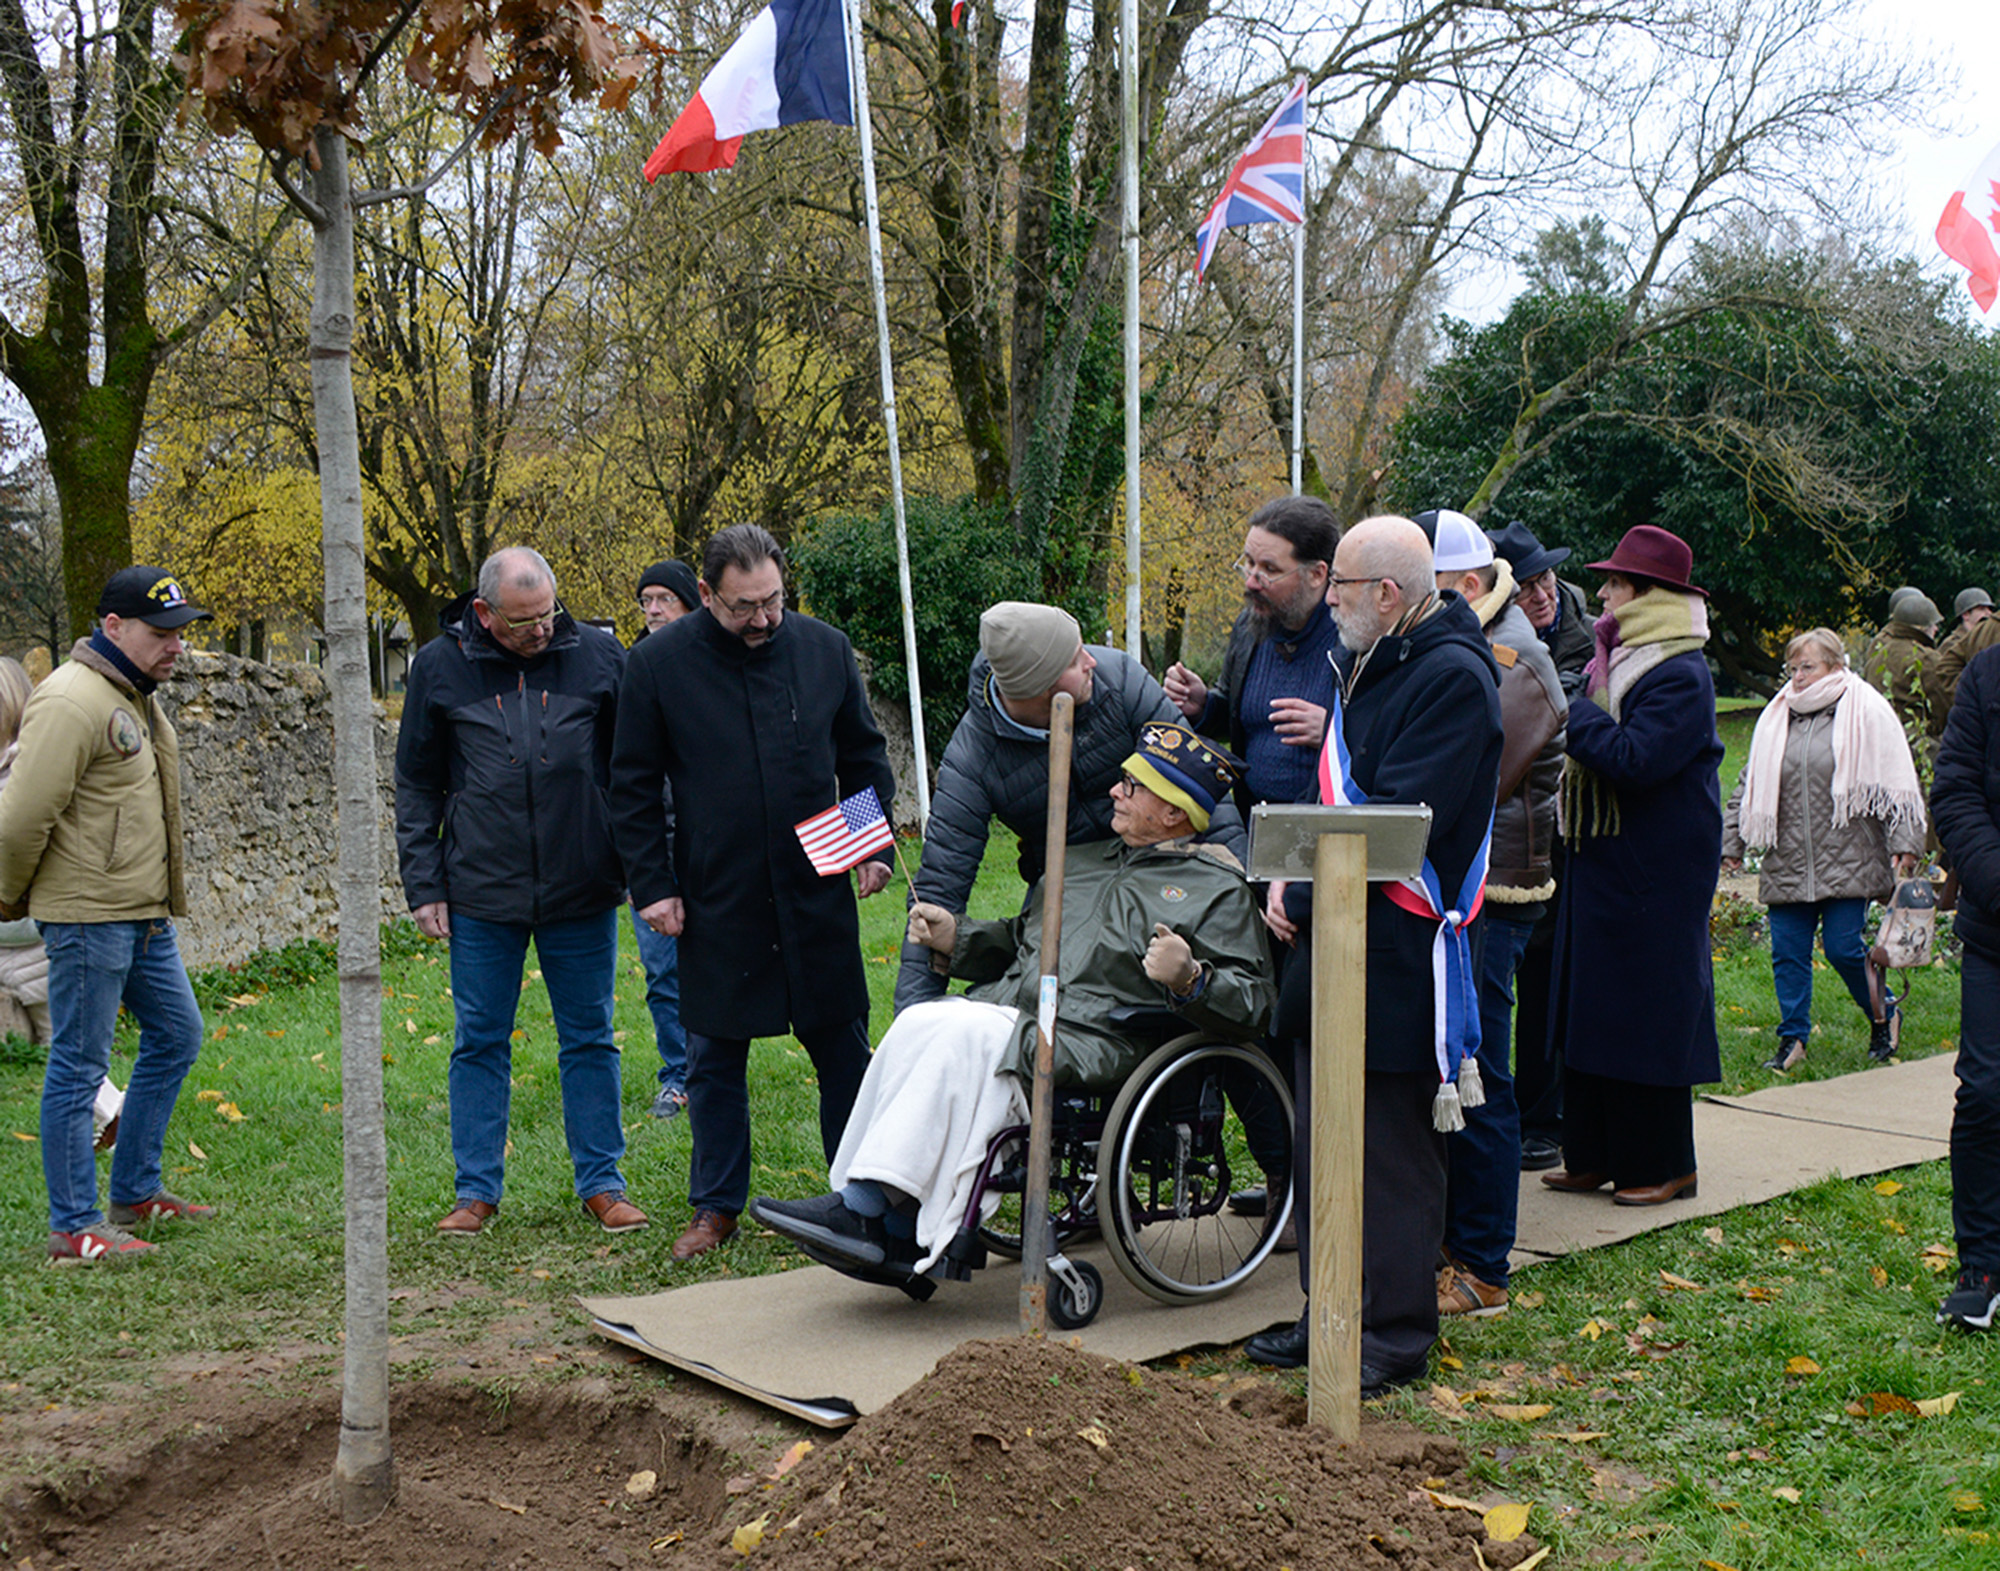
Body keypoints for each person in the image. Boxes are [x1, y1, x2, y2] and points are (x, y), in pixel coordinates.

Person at [750, 724, 1273, 1277]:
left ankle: (869, 1212)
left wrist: (1190, 977)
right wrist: (957, 935)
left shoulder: (1217, 889)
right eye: (1122, 780)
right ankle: (889, 1222)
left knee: (973, 1036)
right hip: (1022, 1013)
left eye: (1132, 785)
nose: (1115, 791)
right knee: (923, 1020)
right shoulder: (1081, 860)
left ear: (1173, 812)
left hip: (1106, 1039)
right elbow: (1022, 937)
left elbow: (1255, 1003)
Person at [1244, 515, 1503, 1394]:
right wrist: (1292, 881)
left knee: (1387, 1151)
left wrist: (1305, 885)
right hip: (1341, 940)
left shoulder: (1453, 679)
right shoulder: (1374, 657)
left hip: (1394, 944)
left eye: (1343, 589)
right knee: (1327, 1136)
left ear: (1386, 595)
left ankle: (1390, 1329)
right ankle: (1331, 1307)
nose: (1331, 603)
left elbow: (1397, 822)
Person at [611, 523, 897, 1262]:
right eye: (744, 607)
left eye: (773, 600)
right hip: (717, 890)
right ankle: (715, 1207)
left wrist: (870, 842)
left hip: (814, 887)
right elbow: (632, 785)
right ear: (706, 595)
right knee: (712, 1059)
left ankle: (860, 1194)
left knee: (843, 1048)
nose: (764, 619)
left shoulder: (824, 648)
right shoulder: (656, 665)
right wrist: (654, 885)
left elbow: (862, 754)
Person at [395, 546, 643, 1238]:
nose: (540, 630)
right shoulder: (438, 669)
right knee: (479, 1039)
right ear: (483, 612)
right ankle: (476, 1190)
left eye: (547, 615)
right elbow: (417, 784)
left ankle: (602, 1181)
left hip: (582, 881)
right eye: (522, 620)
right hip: (480, 888)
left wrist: (641, 866)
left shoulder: (599, 657)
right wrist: (424, 882)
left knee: (590, 1035)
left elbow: (633, 770)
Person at [0, 567, 216, 1263]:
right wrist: (10, 895)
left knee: (178, 1032)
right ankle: (75, 1224)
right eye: (163, 633)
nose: (177, 645)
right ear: (113, 627)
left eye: (181, 632)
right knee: (78, 1064)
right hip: (91, 915)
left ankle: (135, 1192)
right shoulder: (70, 699)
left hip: (141, 911)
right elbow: (21, 817)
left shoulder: (131, 692)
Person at [895, 601, 1243, 1012]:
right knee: (1031, 997)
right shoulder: (973, 756)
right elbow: (937, 889)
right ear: (1041, 685)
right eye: (1075, 659)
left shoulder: (1122, 682)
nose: (1093, 660)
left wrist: (1243, 888)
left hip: (1158, 877)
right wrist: (912, 1015)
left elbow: (1198, 784)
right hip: (1065, 893)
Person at [1541, 525, 1722, 1209]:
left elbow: (1634, 760)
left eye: (1616, 583)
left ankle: (1665, 1162)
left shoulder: (1680, 670)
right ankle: (1592, 1153)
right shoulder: (1613, 658)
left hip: (1657, 871)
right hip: (1605, 861)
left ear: (1649, 593)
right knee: (1589, 1008)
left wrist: (1573, 714)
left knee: (1646, 1016)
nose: (1606, 594)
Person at [1417, 512, 1566, 1321]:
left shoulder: (1512, 656)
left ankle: (1482, 1261)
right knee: (1455, 1064)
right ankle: (1451, 1242)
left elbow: (1471, 778)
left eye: (1425, 592)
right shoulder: (1478, 637)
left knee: (1480, 1070)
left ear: (1467, 587)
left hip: (1488, 893)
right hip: (1453, 891)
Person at [1722, 629, 1925, 1073]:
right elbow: (1748, 783)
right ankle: (1793, 1038)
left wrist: (1906, 842)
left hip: (1849, 855)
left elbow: (1897, 780)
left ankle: (1885, 1013)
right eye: (1792, 668)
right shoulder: (1778, 718)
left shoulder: (1866, 709)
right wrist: (1731, 841)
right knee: (1787, 953)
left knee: (1843, 949)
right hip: (1788, 858)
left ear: (1835, 666)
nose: (1796, 677)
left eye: (1807, 667)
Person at [1489, 520, 1590, 1173]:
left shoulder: (1583, 634)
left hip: (1566, 830)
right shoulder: (1495, 641)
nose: (1542, 593)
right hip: (1516, 835)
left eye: (1546, 578)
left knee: (1550, 979)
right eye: (1526, 585)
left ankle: (1543, 1116)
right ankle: (1524, 1113)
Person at [1164, 494, 1339, 812]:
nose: (1251, 581)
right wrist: (1203, 705)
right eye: (1248, 563)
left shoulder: (1354, 638)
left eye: (1269, 569)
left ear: (1317, 574)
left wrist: (1333, 733)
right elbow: (1237, 719)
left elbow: (1388, 741)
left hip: (1327, 829)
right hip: (1251, 823)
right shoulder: (1250, 626)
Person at [1929, 643, 2000, 1330]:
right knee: (1983, 1091)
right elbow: (1954, 790)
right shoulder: (1986, 674)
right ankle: (1981, 1264)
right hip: (1995, 925)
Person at [629, 560, 700, 1119]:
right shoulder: (629, 671)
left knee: (715, 965)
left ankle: (714, 1067)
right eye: (645, 600)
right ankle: (677, 1074)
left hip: (710, 850)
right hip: (652, 851)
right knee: (662, 971)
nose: (652, 610)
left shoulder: (715, 667)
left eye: (663, 600)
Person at [1861, 589, 1939, 748]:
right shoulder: (1925, 657)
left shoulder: (1880, 652)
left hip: (1879, 737)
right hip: (1917, 741)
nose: (1936, 629)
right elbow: (1942, 705)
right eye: (1933, 624)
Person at [1925, 588, 1999, 736]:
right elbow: (1943, 673)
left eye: (1989, 609)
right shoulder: (1951, 644)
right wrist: (1971, 696)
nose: (1988, 613)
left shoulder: (1982, 631)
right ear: (1965, 614)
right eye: (1981, 608)